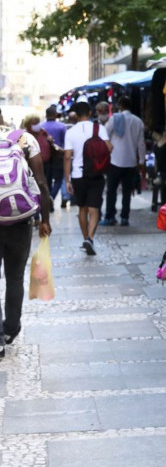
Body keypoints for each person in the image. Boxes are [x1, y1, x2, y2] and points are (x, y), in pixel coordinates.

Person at [0, 125, 51, 358]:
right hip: (18, 220)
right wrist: (45, 219)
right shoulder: (24, 138)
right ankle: (10, 328)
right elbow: (40, 183)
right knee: (15, 277)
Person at [64, 101, 112, 255]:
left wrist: (67, 180)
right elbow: (109, 147)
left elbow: (67, 157)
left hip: (78, 174)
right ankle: (90, 238)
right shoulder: (99, 129)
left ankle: (86, 238)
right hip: (96, 173)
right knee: (95, 209)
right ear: (90, 113)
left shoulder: (70, 132)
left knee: (82, 208)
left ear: (76, 115)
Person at [101, 96, 146, 227]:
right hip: (131, 162)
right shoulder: (138, 121)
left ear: (120, 106)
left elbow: (104, 134)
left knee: (111, 191)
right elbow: (141, 143)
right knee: (127, 192)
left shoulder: (114, 118)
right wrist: (141, 161)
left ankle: (110, 216)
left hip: (114, 160)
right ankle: (125, 217)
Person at [40, 105, 70, 209]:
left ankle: (49, 200)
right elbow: (65, 143)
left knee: (47, 180)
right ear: (55, 115)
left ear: (46, 115)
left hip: (45, 158)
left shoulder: (41, 127)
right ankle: (51, 197)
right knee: (58, 180)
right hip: (59, 157)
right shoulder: (62, 127)